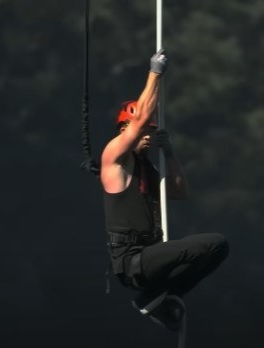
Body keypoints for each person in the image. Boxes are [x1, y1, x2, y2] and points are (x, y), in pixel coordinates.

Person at [100, 50, 229, 331]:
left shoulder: (147, 168)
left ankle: (161, 300)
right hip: (132, 260)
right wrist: (155, 73)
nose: (147, 135)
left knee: (217, 249)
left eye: (150, 131)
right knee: (211, 243)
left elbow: (179, 192)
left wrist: (169, 154)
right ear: (124, 129)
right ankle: (150, 298)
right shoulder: (115, 158)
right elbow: (140, 117)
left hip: (150, 255)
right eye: (142, 130)